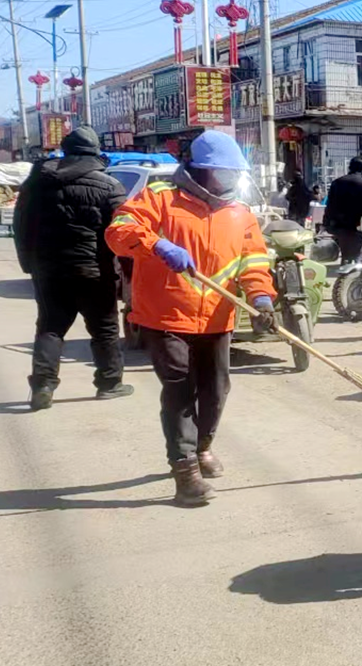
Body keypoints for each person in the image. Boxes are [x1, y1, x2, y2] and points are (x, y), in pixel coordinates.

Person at [106, 131, 277, 507]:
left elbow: (254, 263)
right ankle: (185, 471)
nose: (230, 181)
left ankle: (202, 447)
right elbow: (118, 233)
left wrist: (261, 298)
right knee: (180, 391)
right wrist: (157, 244)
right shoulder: (160, 199)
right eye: (222, 173)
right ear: (199, 170)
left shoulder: (241, 214)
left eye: (235, 174)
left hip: (217, 316)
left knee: (216, 390)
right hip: (166, 314)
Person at [15, 125, 132, 409]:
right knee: (104, 329)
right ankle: (109, 383)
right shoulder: (109, 185)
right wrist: (127, 271)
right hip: (94, 269)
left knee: (50, 327)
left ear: (65, 150)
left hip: (49, 269)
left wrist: (28, 263)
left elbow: (21, 225)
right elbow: (124, 231)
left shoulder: (37, 182)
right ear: (95, 152)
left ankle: (43, 386)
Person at [323, 157, 362, 262]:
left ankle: (345, 271)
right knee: (357, 255)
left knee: (345, 254)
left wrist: (326, 223)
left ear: (349, 167)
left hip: (339, 226)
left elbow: (330, 205)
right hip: (357, 227)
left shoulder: (337, 183)